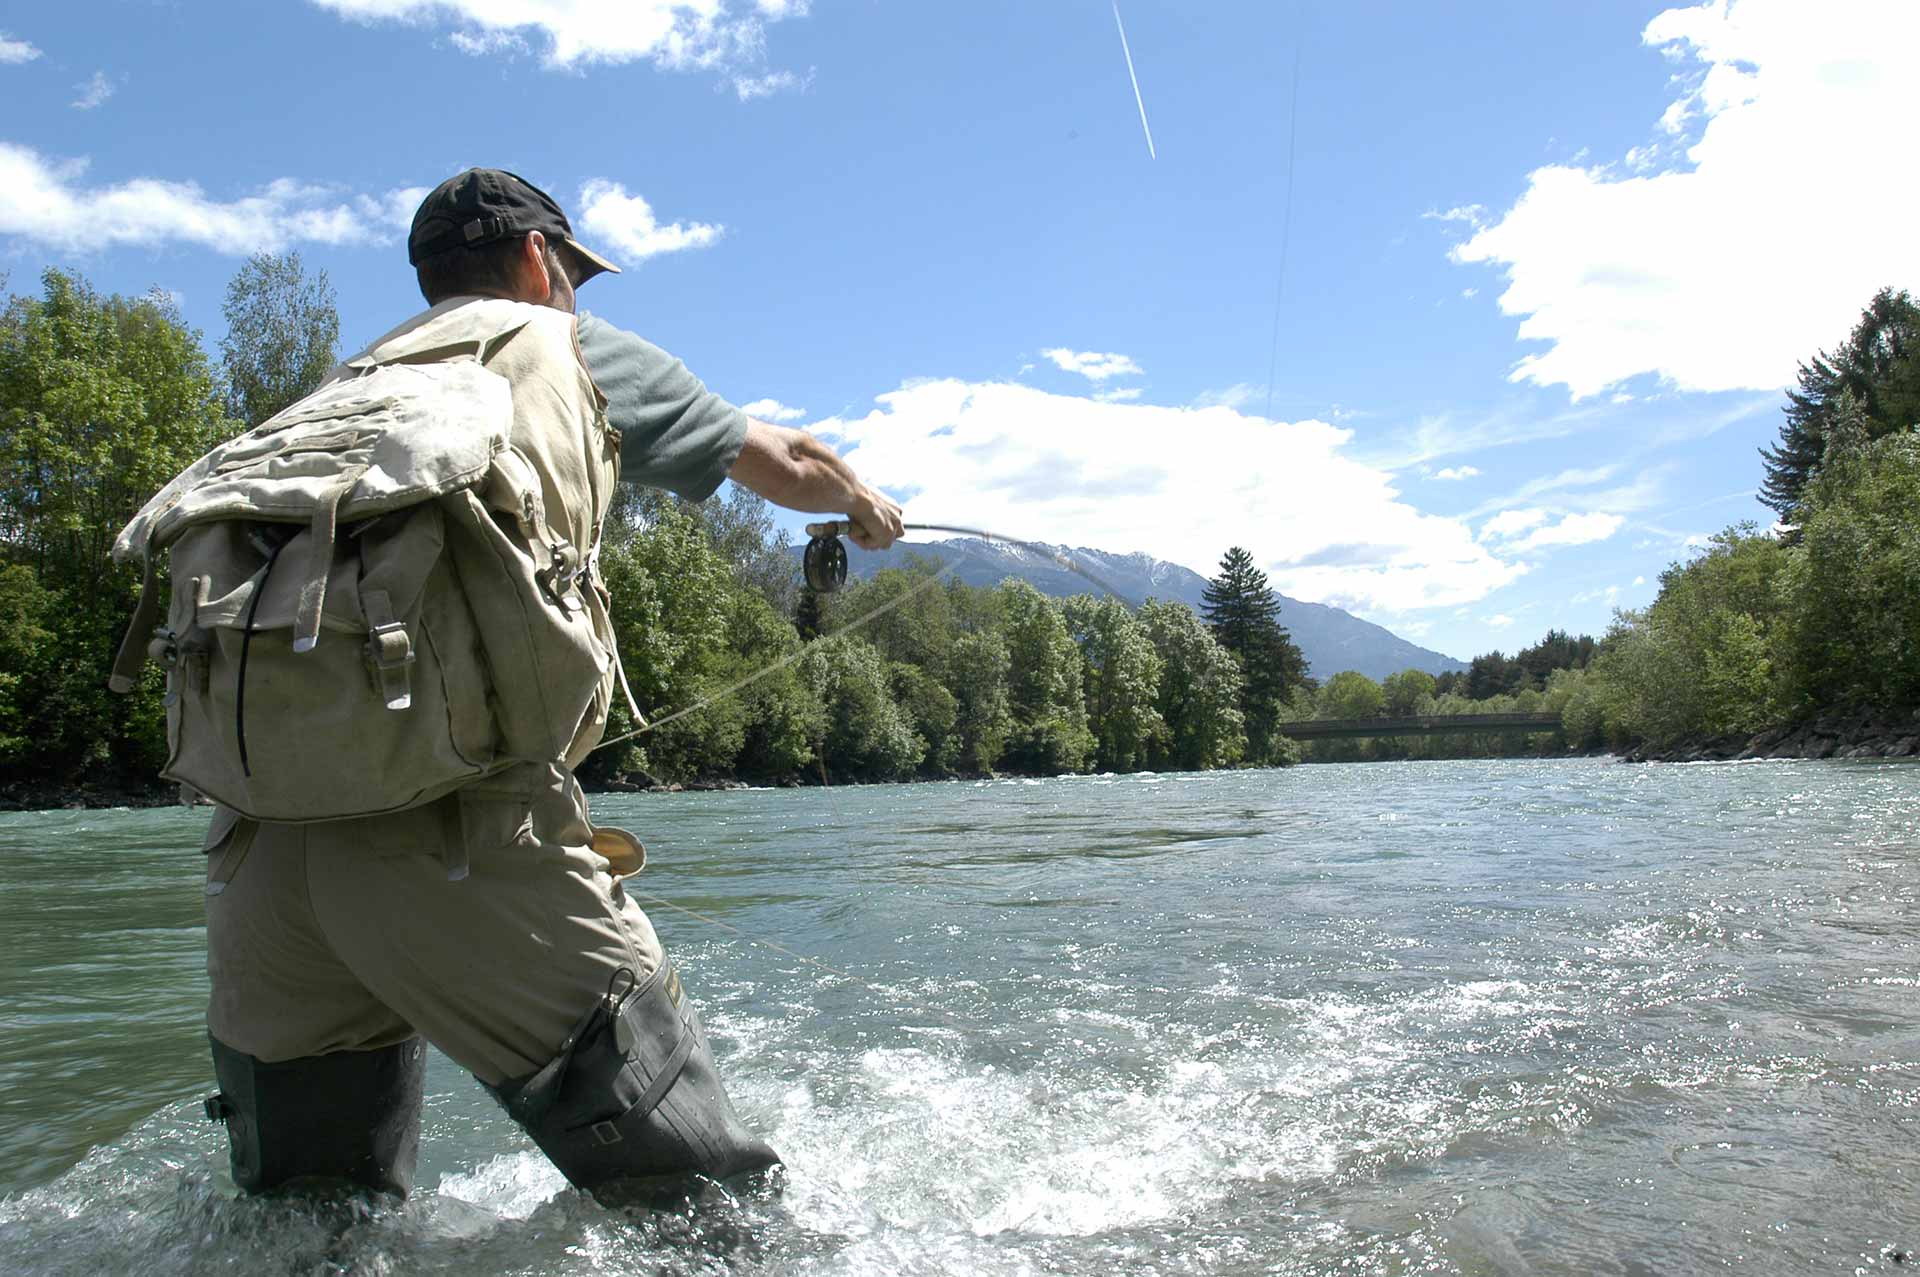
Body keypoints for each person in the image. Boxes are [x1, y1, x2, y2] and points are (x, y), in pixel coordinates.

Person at [199, 168, 902, 1203]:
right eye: (575, 272)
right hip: (456, 845)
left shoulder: (339, 388)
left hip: (257, 862)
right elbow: (786, 458)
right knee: (706, 1212)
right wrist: (864, 502)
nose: (575, 294)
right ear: (540, 263)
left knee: (305, 1235)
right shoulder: (558, 345)